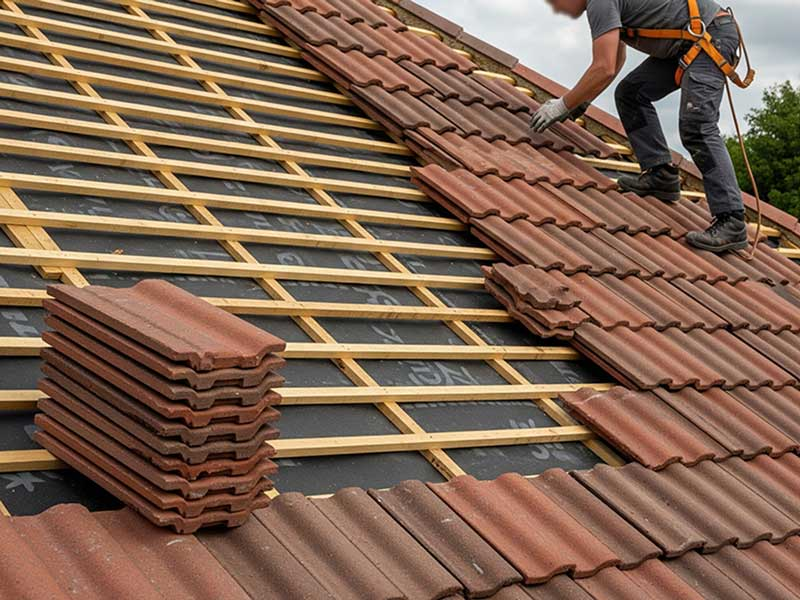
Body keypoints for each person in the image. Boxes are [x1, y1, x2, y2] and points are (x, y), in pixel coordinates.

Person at [531, 0, 748, 253]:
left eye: (554, 2)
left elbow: (604, 66)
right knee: (630, 93)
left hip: (711, 37)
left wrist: (563, 105)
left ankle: (731, 218)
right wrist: (581, 100)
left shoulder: (599, 3)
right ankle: (661, 174)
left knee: (697, 124)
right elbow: (615, 58)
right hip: (690, 42)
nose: (556, 9)